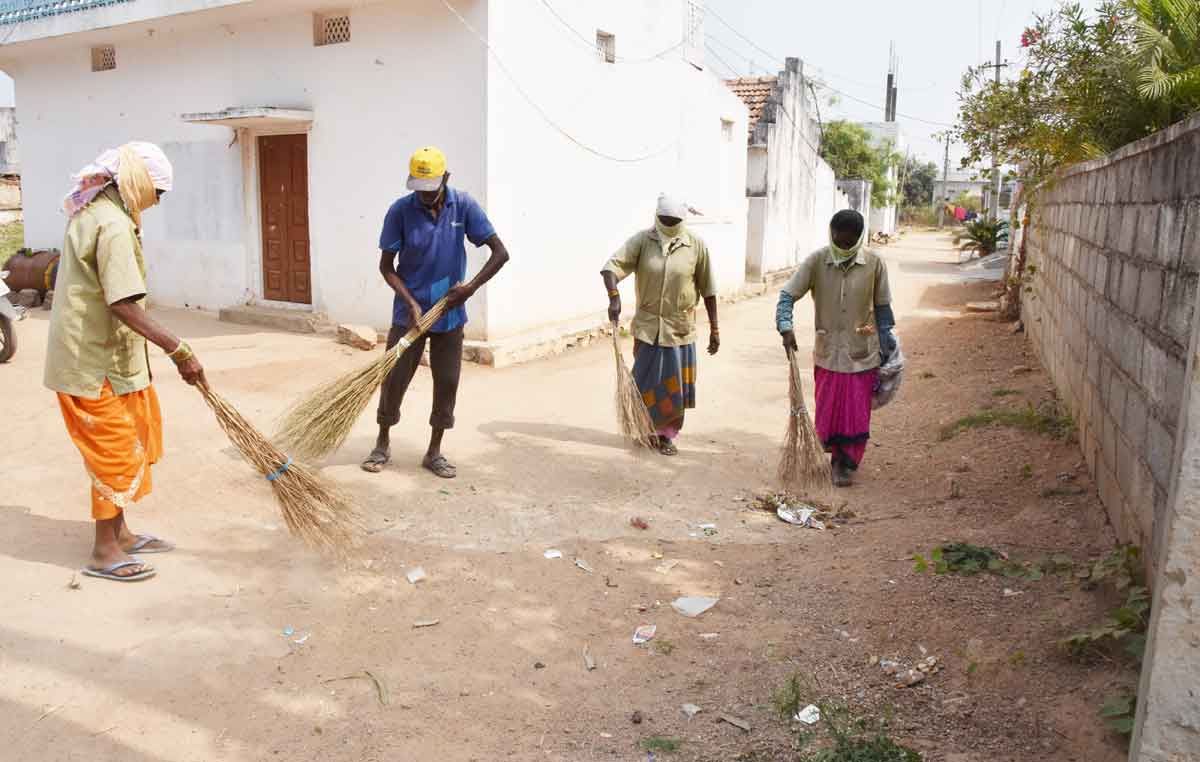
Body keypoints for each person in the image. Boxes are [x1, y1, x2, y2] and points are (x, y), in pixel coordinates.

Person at [46, 142, 206, 582]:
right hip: (91, 362)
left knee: (135, 438)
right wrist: (179, 350)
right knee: (115, 453)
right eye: (158, 192)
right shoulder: (112, 224)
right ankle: (104, 552)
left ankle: (121, 535)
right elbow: (122, 302)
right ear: (138, 183)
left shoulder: (101, 213)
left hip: (114, 360)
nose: (157, 202)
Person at [362, 147, 509, 478]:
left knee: (447, 382)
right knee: (393, 379)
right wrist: (410, 302)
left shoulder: (464, 205)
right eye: (419, 189)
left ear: (446, 178)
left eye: (430, 189)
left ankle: (434, 452)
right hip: (409, 315)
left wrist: (469, 288)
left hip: (449, 313)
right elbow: (386, 266)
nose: (425, 196)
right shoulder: (400, 211)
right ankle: (382, 443)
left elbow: (500, 253)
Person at [775, 209, 896, 487]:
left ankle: (846, 463)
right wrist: (785, 326)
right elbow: (787, 295)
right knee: (828, 411)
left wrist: (888, 347)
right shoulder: (817, 261)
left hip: (862, 353)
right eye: (838, 240)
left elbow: (883, 309)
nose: (842, 245)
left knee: (855, 413)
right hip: (828, 353)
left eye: (849, 242)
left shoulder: (874, 264)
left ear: (859, 238)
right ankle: (831, 454)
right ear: (831, 234)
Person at [601, 194, 719, 455]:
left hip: (679, 330)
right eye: (663, 220)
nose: (667, 224)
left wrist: (715, 329)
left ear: (682, 221)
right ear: (656, 217)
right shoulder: (643, 241)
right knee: (645, 383)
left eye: (672, 221)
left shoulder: (696, 246)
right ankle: (645, 428)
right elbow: (611, 267)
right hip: (648, 329)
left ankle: (665, 436)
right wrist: (614, 297)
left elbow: (709, 290)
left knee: (672, 390)